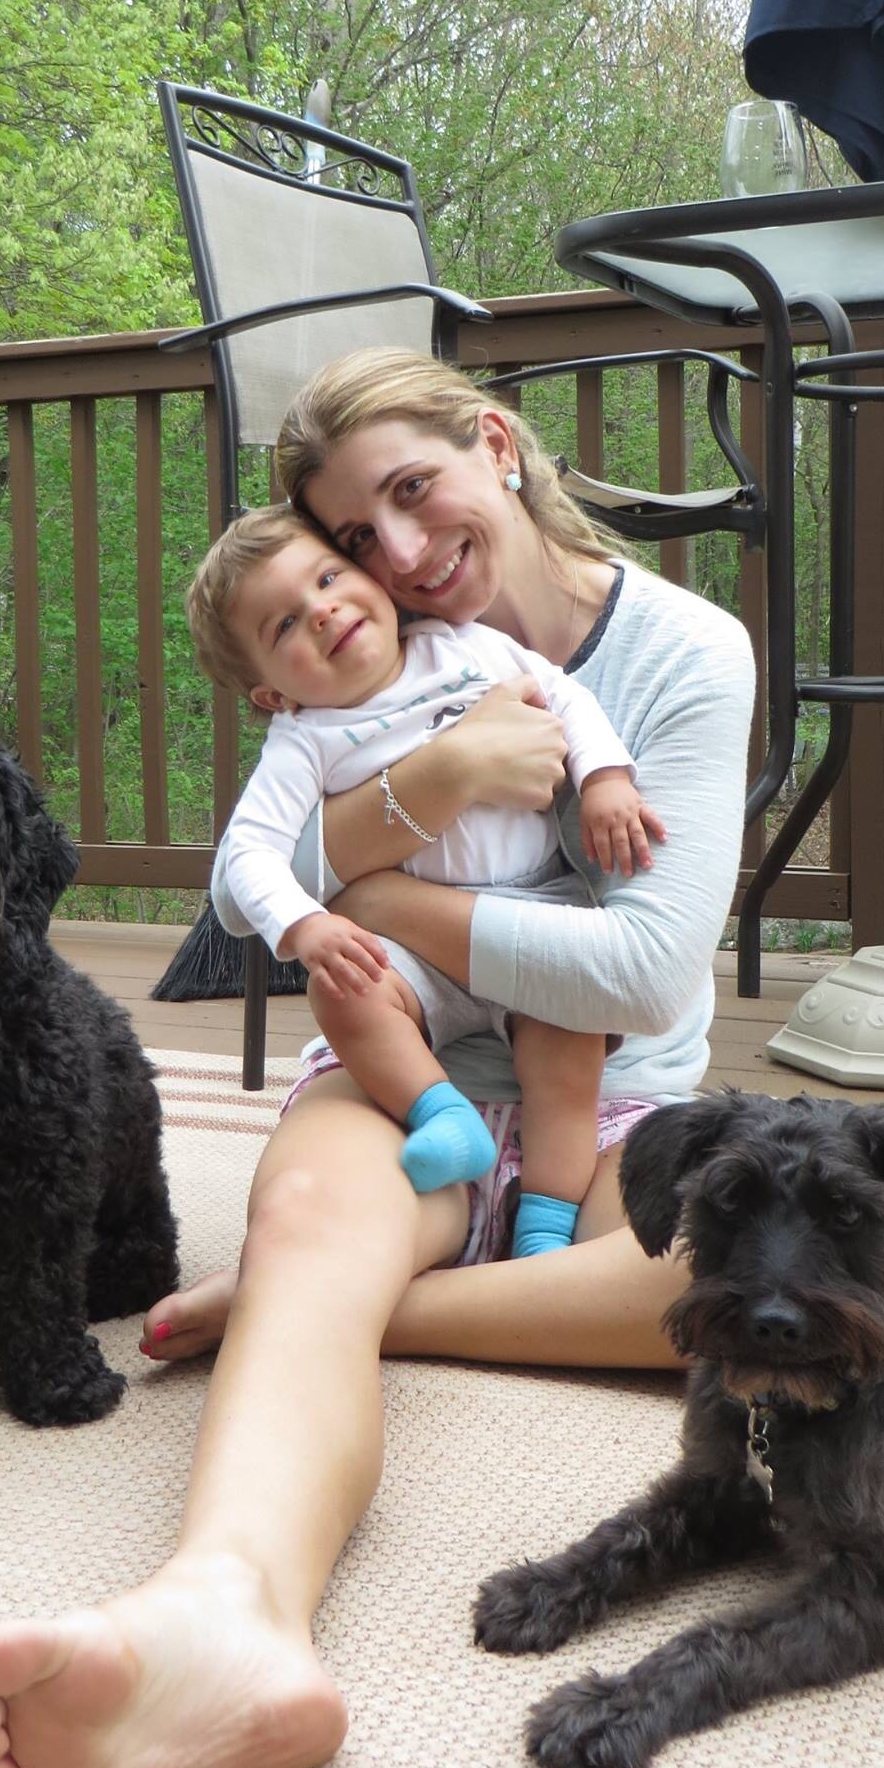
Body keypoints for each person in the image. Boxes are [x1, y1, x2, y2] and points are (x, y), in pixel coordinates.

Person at [0, 346, 756, 1768]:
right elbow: (255, 885)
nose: (397, 553)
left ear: (496, 443)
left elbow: (639, 974)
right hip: (403, 1071)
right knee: (319, 1213)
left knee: (760, 1274)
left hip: (616, 1093)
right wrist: (423, 792)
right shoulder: (355, 676)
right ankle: (225, 1622)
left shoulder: (683, 652)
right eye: (352, 534)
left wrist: (377, 885)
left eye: (414, 490)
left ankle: (322, 1303)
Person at [188, 499, 661, 1257]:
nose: (321, 610)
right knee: (343, 990)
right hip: (414, 953)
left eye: (328, 578)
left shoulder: (463, 646)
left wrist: (604, 777)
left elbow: (566, 698)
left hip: (538, 909)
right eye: (284, 624)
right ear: (273, 694)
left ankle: (544, 1226)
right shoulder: (305, 737)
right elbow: (248, 853)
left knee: (569, 1053)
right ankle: (442, 1115)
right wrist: (304, 927)